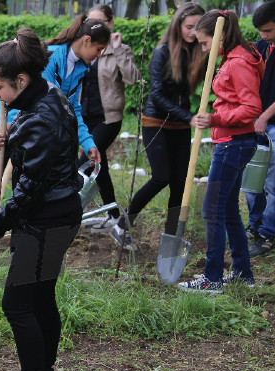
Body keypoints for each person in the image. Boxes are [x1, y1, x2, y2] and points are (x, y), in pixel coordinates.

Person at [0, 28, 83, 371]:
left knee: (18, 304)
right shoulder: (49, 96)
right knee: (40, 301)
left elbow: (30, 189)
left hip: (45, 219)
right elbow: (37, 151)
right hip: (57, 213)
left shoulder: (41, 116)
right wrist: (9, 138)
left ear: (21, 80)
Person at [0, 14, 109, 259]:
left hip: (32, 135)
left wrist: (87, 141)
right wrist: (8, 132)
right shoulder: (53, 59)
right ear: (87, 40)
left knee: (24, 188)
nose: (99, 55)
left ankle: (20, 248)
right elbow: (31, 103)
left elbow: (68, 108)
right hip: (5, 126)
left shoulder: (80, 68)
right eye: (99, 48)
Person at [178, 10, 263, 293]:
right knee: (226, 210)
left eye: (205, 43)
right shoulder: (233, 57)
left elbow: (251, 108)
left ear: (220, 36)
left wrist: (215, 119)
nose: (203, 49)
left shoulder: (238, 62)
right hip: (232, 141)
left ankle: (212, 278)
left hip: (233, 143)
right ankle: (242, 274)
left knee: (211, 209)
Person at [111, 2, 207, 250]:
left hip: (181, 123)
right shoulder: (163, 52)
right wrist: (189, 117)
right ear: (178, 26)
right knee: (161, 177)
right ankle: (122, 224)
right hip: (156, 121)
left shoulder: (201, 51)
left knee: (179, 181)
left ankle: (171, 236)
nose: (193, 32)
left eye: (198, 27)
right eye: (189, 26)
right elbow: (157, 95)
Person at [79, 4, 140, 233]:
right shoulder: (83, 47)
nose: (95, 27)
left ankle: (67, 213)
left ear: (111, 23)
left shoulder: (119, 50)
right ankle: (113, 214)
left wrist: (118, 49)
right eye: (90, 22)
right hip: (83, 118)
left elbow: (133, 79)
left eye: (101, 22)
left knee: (84, 162)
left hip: (108, 118)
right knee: (98, 164)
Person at [246, 1, 275, 257]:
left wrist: (264, 116)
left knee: (273, 183)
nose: (264, 36)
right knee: (252, 182)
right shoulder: (261, 47)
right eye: (260, 31)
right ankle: (254, 225)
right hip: (256, 126)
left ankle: (267, 234)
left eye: (268, 30)